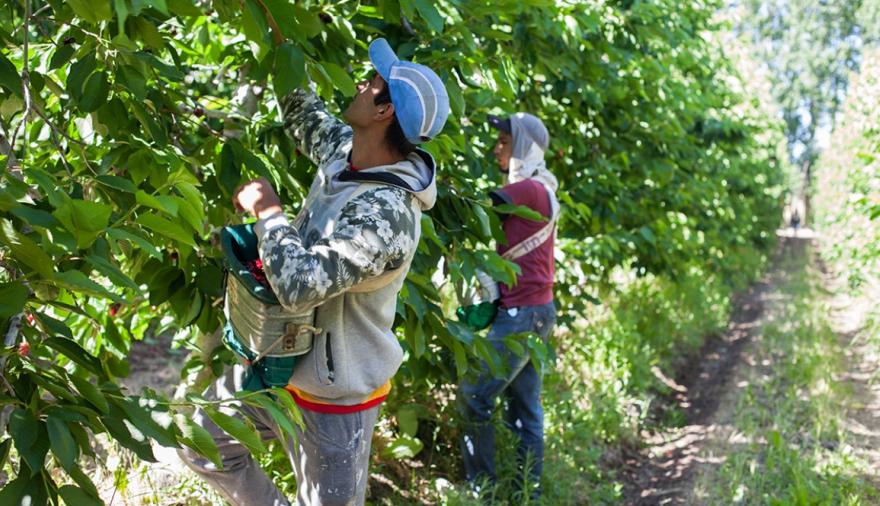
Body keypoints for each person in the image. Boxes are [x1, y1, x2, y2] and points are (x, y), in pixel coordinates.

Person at [178, 38, 449, 506]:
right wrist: (279, 35)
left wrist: (269, 214)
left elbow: (300, 285)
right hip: (279, 368)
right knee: (200, 438)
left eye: (374, 82)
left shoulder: (386, 215)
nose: (362, 83)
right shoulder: (349, 153)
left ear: (385, 112)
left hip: (335, 399)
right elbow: (303, 113)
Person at [458, 112, 559, 499]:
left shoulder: (529, 190)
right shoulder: (539, 189)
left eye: (505, 140)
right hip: (537, 312)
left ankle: (480, 488)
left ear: (524, 147)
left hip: (522, 315)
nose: (496, 147)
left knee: (474, 397)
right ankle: (526, 493)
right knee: (525, 408)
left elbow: (474, 209)